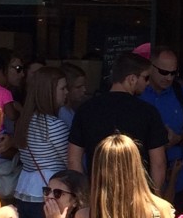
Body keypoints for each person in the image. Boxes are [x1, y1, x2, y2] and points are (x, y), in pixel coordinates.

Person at [67, 51, 167, 189]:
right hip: (136, 196)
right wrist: (154, 199)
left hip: (98, 193)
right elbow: (159, 163)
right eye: (146, 77)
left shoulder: (86, 109)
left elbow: (73, 160)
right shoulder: (148, 112)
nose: (148, 83)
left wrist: (84, 197)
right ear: (132, 79)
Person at [12, 66, 69, 218]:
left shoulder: (24, 122)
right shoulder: (54, 126)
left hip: (24, 189)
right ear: (49, 93)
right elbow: (69, 161)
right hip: (49, 193)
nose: (66, 93)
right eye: (62, 88)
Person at [140, 46, 183, 209]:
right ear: (151, 67)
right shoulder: (138, 92)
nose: (169, 78)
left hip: (175, 175)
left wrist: (178, 139)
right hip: (140, 176)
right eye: (164, 72)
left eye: (173, 73)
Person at [59, 62, 89, 128]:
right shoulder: (62, 114)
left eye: (84, 86)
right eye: (78, 87)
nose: (84, 90)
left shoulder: (71, 110)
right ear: (66, 88)